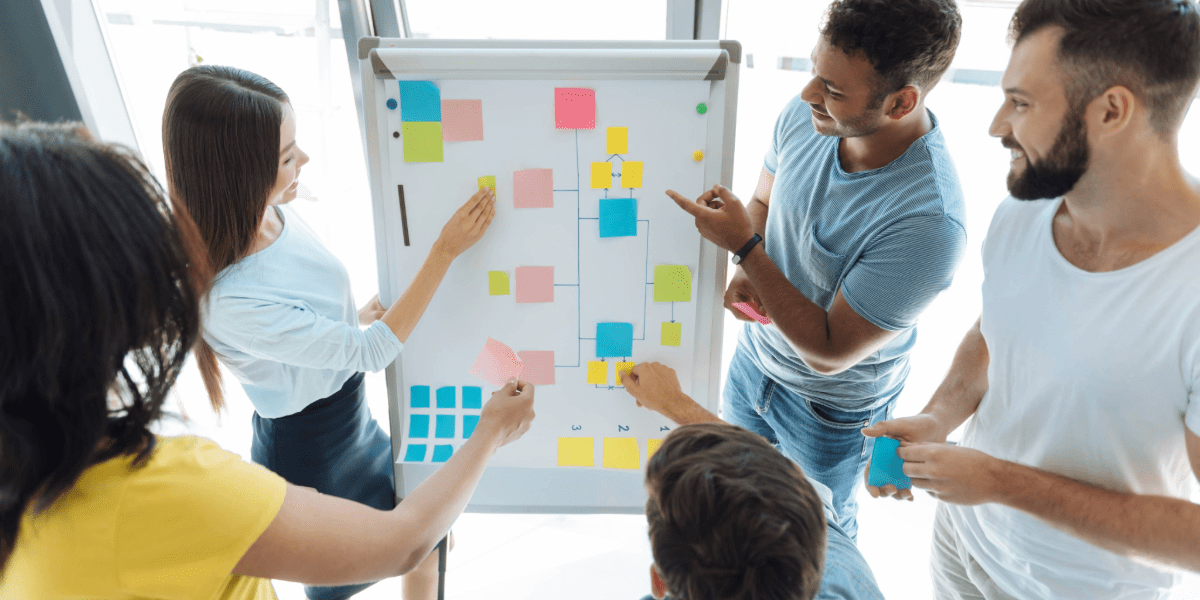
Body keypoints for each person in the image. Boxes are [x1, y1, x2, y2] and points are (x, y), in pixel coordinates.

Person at [0, 121, 536, 599]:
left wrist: (348, 322)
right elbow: (403, 543)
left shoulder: (28, 491)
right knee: (356, 569)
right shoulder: (175, 487)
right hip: (314, 444)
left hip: (350, 420)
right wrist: (489, 431)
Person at [862, 1, 1200, 598]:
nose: (996, 125)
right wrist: (941, 418)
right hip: (966, 546)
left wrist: (1000, 481)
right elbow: (998, 326)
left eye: (1021, 103)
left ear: (1112, 111)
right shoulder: (1025, 207)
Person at [162, 65, 494, 599]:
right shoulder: (227, 300)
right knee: (344, 583)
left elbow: (308, 303)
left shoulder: (272, 211)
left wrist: (347, 315)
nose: (305, 162)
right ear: (240, 176)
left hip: (351, 423)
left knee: (432, 541)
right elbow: (372, 354)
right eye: (288, 157)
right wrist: (445, 250)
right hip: (310, 454)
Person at [664, 0, 966, 540]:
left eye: (832, 89)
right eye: (814, 72)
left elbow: (829, 352)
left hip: (829, 413)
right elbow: (762, 199)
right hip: (754, 365)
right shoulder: (810, 117)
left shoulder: (929, 223)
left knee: (815, 534)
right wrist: (748, 268)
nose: (808, 94)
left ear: (901, 102)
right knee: (733, 497)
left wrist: (746, 249)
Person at [626, 363, 884, 600]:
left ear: (658, 584)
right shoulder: (841, 572)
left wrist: (676, 404)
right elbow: (769, 474)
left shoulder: (822, 550)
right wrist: (675, 402)